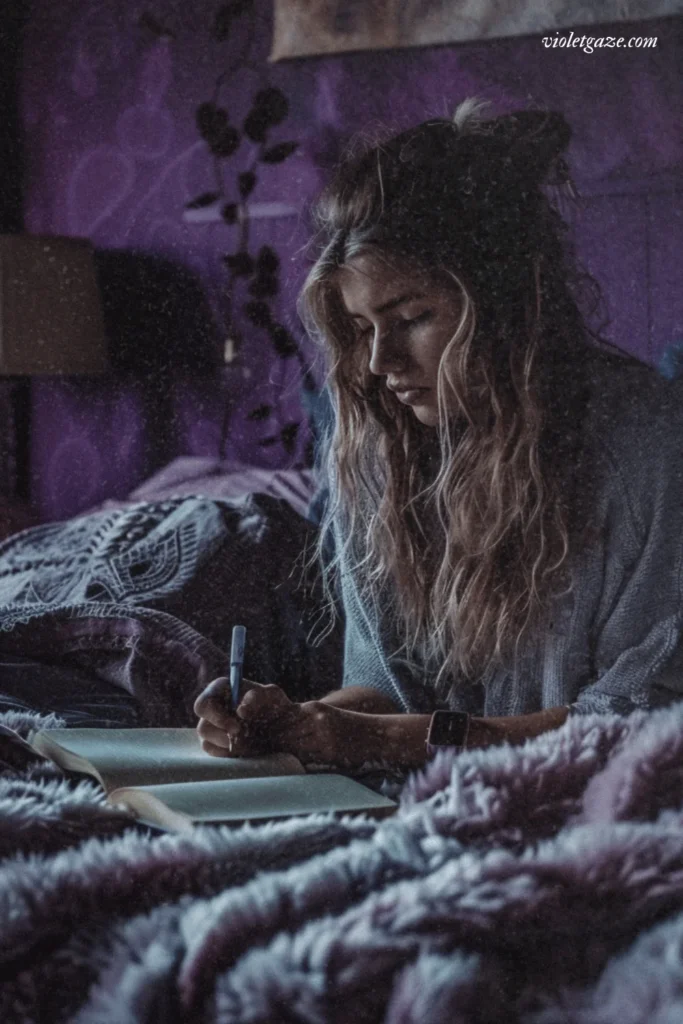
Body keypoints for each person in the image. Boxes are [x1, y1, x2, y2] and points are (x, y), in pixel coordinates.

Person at [195, 98, 683, 771]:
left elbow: (649, 724)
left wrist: (385, 740)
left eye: (413, 316)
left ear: (510, 298)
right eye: (363, 329)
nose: (378, 364)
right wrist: (294, 724)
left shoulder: (653, 446)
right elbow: (387, 694)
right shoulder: (377, 450)